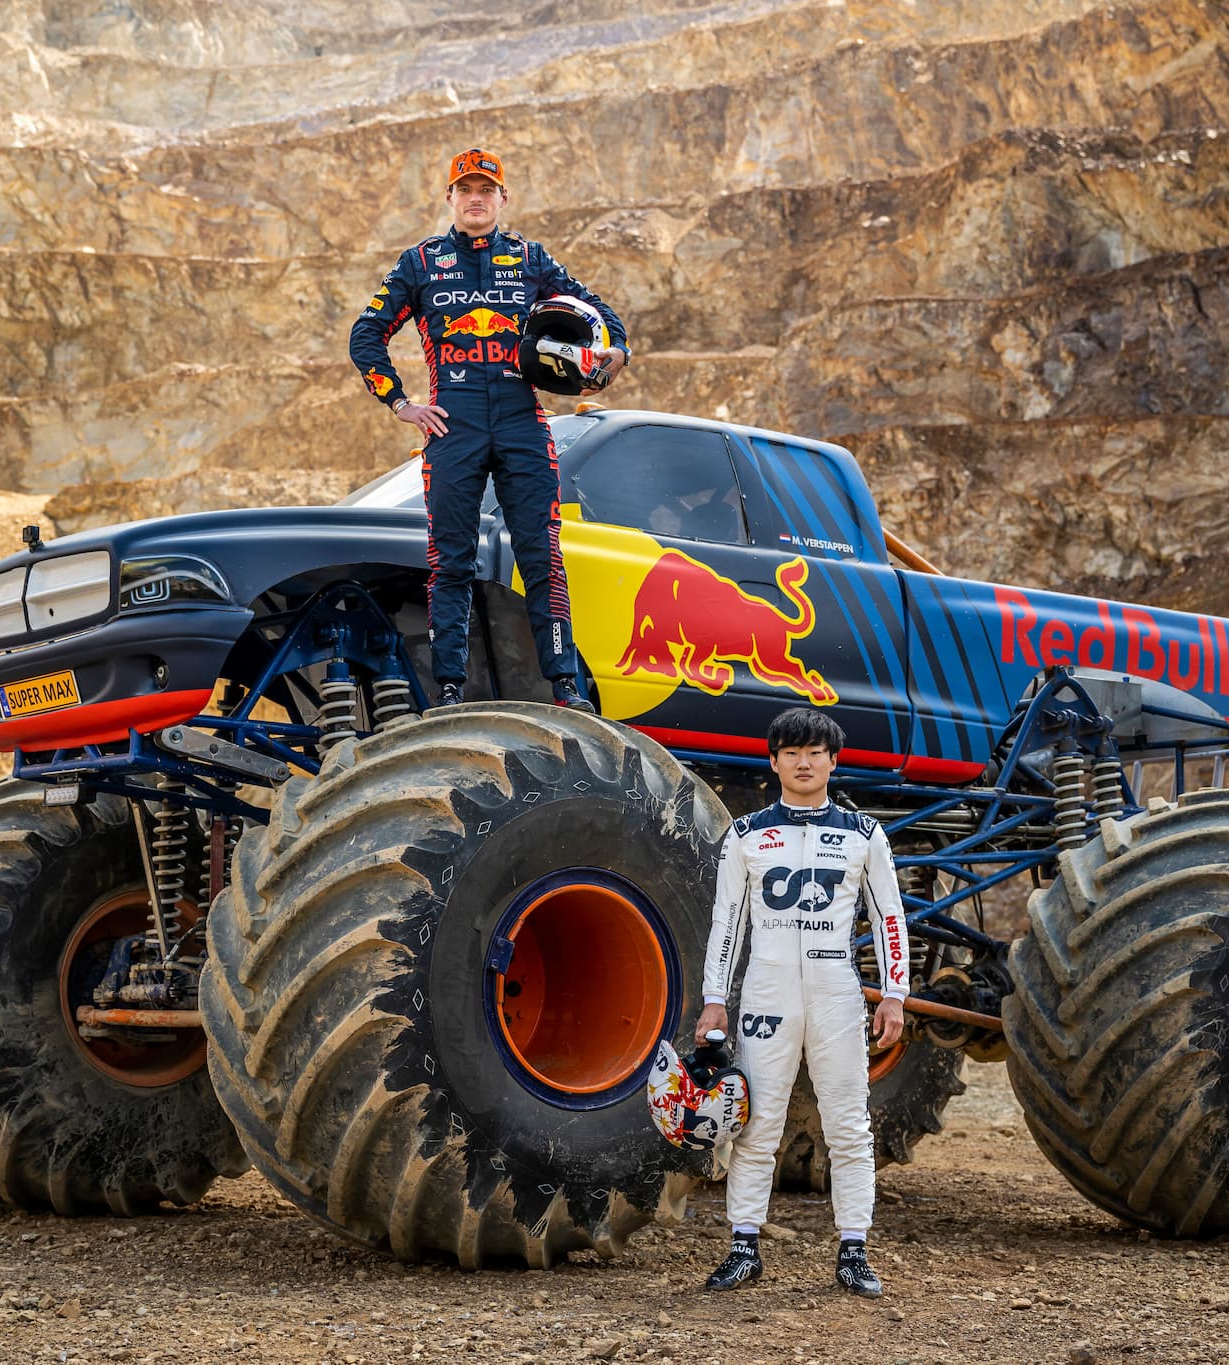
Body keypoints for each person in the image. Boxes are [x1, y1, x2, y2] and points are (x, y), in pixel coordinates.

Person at [348, 147, 630, 711]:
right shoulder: (421, 263)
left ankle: (566, 687)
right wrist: (401, 402)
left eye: (486, 190)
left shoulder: (530, 258)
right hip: (453, 425)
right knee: (449, 559)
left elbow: (603, 318)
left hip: (522, 420)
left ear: (503, 198)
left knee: (541, 556)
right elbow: (366, 335)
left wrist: (613, 355)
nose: (475, 199)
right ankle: (449, 688)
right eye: (465, 190)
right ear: (450, 199)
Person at [695, 707, 909, 1299]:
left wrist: (894, 993)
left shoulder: (865, 834)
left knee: (849, 1125)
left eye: (815, 752)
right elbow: (727, 923)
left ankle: (855, 1251)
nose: (804, 761)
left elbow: (889, 916)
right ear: (774, 761)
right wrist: (716, 999)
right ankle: (743, 1247)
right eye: (791, 752)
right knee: (757, 1121)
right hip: (766, 990)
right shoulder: (744, 835)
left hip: (836, 989)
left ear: (833, 761)